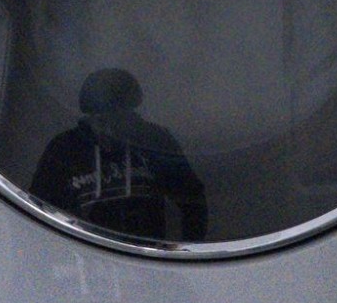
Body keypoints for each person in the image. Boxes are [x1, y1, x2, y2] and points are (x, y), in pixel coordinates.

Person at [29, 67, 207, 244]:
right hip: (84, 259)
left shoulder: (154, 141)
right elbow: (40, 209)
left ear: (130, 114)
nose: (109, 129)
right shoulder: (66, 148)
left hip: (147, 259)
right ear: (89, 117)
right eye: (101, 120)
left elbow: (192, 198)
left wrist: (187, 247)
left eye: (118, 119)